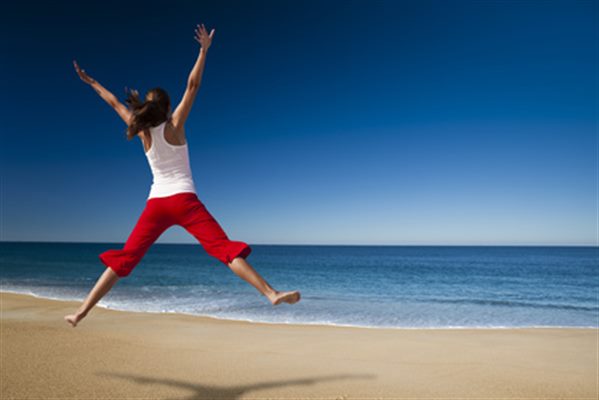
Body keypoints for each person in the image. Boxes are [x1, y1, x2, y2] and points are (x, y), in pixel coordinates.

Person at [65, 23, 301, 328]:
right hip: (185, 201)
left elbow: (112, 101)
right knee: (224, 249)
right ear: (166, 107)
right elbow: (192, 87)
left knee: (125, 258)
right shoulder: (173, 125)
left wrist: (90, 82)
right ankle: (270, 293)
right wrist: (203, 51)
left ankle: (81, 312)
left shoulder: (141, 133)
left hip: (157, 205)